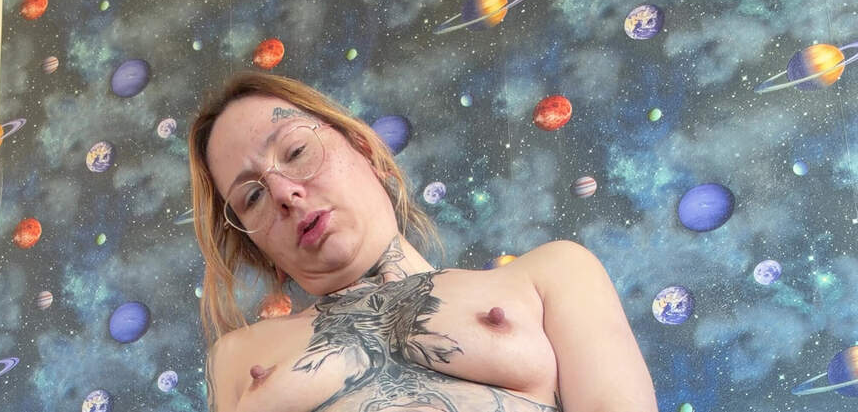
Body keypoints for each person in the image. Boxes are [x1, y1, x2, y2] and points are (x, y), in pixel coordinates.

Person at [189, 71, 658, 412]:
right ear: (256, 247)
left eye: (296, 151)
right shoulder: (235, 358)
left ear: (365, 150)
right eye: (252, 197)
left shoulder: (551, 273)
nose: (283, 193)